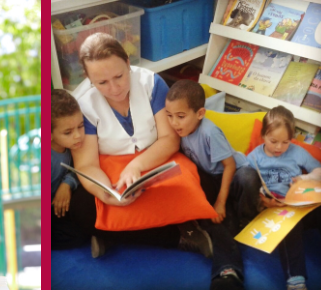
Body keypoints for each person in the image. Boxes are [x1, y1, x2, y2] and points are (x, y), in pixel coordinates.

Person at [68, 33, 212, 258]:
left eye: (119, 76)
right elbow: (86, 165)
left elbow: (169, 139)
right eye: (102, 82)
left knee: (204, 187)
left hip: (156, 157)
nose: (114, 88)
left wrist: (136, 166)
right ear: (88, 78)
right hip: (109, 169)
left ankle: (113, 232)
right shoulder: (82, 104)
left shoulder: (151, 83)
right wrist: (106, 194)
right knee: (82, 210)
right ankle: (179, 235)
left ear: (128, 62)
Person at [163, 80, 251, 289]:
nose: (174, 123)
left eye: (180, 116)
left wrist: (220, 202)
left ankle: (244, 223)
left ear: (200, 113)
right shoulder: (180, 132)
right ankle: (226, 271)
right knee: (214, 221)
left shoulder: (209, 132)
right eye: (169, 115)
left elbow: (229, 166)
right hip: (211, 179)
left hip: (234, 176)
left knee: (245, 181)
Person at [239, 106, 321, 290]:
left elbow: (318, 170)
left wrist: (305, 179)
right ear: (263, 135)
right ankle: (295, 280)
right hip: (271, 210)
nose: (279, 147)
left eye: (285, 142)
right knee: (288, 225)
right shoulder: (254, 157)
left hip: (297, 205)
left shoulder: (296, 151)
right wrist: (260, 199)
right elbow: (244, 183)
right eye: (274, 141)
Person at [50, 89, 94, 250]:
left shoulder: (73, 146)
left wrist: (67, 184)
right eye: (68, 132)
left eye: (80, 126)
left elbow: (78, 168)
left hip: (66, 200)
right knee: (75, 236)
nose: (78, 136)